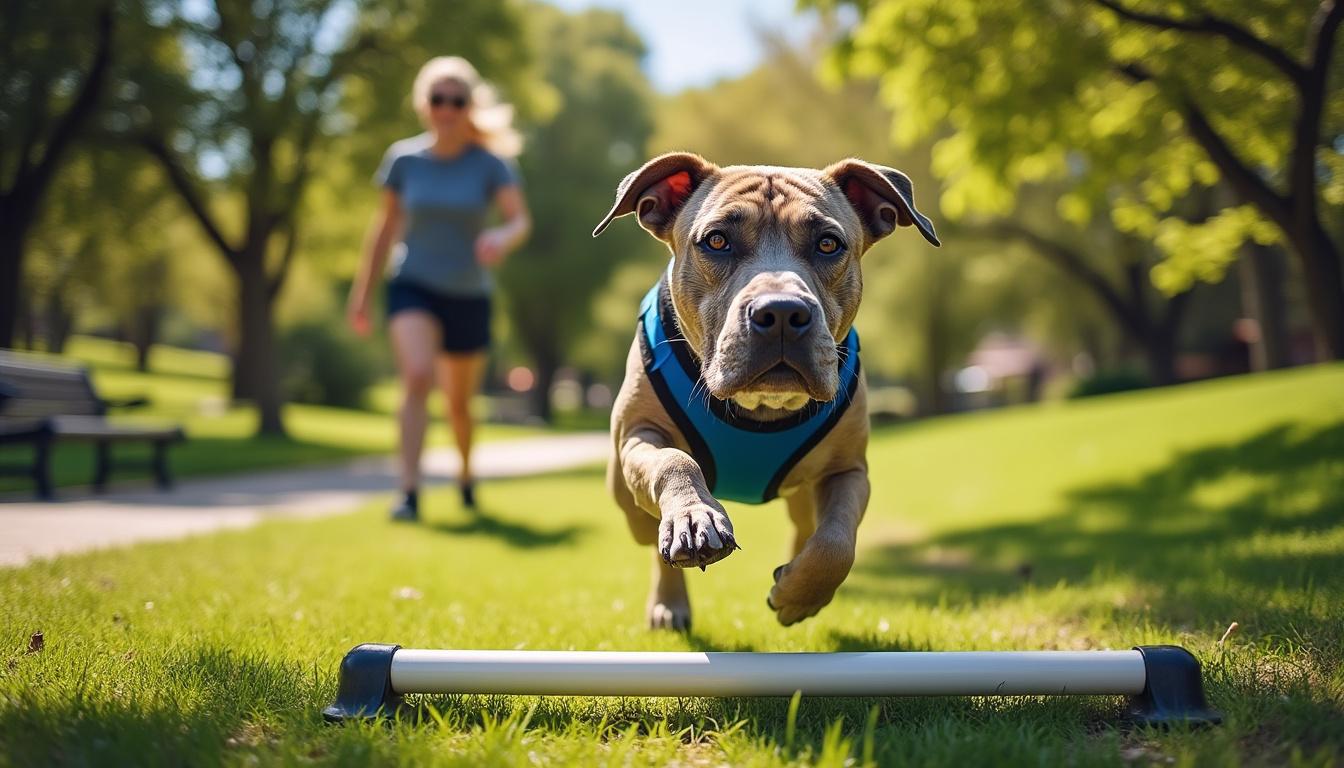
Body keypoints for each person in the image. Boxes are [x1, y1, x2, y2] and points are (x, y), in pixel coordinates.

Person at [348, 56, 530, 522]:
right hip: (413, 283)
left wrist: (500, 237)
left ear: (469, 107)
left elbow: (518, 221)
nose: (446, 108)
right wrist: (362, 294)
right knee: (415, 377)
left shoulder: (490, 164)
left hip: (468, 293)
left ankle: (466, 474)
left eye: (456, 100)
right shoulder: (403, 159)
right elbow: (384, 229)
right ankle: (408, 492)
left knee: (459, 405)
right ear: (423, 104)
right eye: (438, 99)